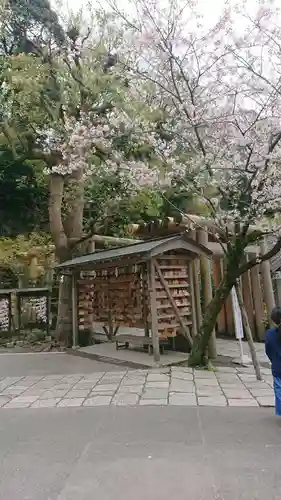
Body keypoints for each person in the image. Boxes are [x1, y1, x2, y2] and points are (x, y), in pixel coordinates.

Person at [265, 307, 281, 416]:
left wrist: (274, 359)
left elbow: (268, 351)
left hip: (277, 366)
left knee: (279, 391)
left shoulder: (270, 334)